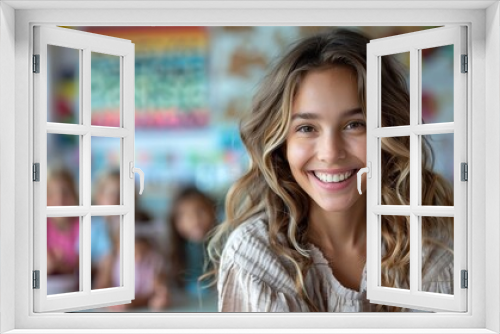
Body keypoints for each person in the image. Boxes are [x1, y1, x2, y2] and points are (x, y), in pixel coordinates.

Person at [205, 29, 454, 312]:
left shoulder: (434, 245)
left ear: (390, 132)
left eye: (354, 124)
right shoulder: (257, 256)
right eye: (307, 128)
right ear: (281, 144)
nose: (331, 153)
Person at [166, 186, 217, 298]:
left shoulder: (223, 247)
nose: (195, 220)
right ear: (175, 222)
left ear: (213, 212)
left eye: (200, 211)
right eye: (185, 215)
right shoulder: (171, 252)